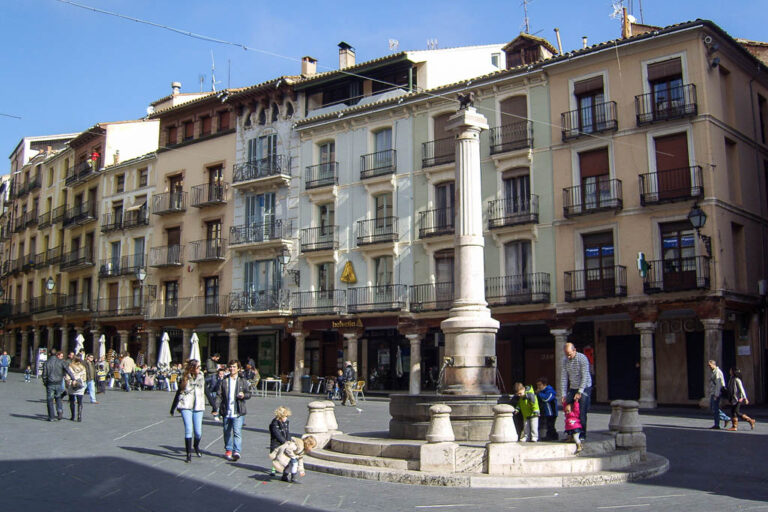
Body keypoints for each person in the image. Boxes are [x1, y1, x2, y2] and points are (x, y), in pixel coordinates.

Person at [170, 360, 206, 463]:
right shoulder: (184, 377)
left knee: (198, 432)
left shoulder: (201, 377)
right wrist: (173, 407)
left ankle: (196, 445)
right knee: (189, 429)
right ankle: (188, 454)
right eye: (198, 367)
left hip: (198, 406)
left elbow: (206, 390)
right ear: (192, 368)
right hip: (186, 405)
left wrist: (214, 406)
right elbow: (179, 392)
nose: (200, 369)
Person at [216, 360, 252, 461]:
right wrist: (216, 407)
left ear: (238, 369)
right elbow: (219, 395)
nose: (232, 369)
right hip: (226, 410)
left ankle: (237, 451)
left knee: (237, 432)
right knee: (227, 431)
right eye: (231, 367)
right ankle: (228, 449)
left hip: (238, 410)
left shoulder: (242, 380)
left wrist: (244, 395)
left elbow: (249, 393)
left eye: (234, 367)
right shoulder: (224, 380)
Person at [561, 342, 592, 438]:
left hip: (585, 387)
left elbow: (585, 376)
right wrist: (563, 394)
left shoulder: (582, 358)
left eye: (569, 354)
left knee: (581, 411)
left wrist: (580, 392)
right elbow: (564, 377)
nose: (568, 357)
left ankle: (582, 433)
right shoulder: (565, 360)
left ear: (574, 350)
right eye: (566, 354)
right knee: (568, 409)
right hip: (573, 386)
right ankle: (571, 431)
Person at [41, 350, 76, 421]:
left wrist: (45, 383)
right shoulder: (61, 361)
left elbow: (44, 375)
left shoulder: (46, 362)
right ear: (56, 354)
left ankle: (51, 417)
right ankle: (60, 411)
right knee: (58, 397)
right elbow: (68, 370)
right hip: (59, 382)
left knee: (50, 400)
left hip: (50, 383)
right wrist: (73, 378)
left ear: (49, 354)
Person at [707, 360, 731, 429]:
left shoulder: (717, 372)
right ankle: (719, 422)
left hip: (716, 393)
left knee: (715, 408)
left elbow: (718, 384)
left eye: (710, 365)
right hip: (713, 392)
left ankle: (723, 420)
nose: (709, 366)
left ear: (713, 364)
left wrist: (716, 394)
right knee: (713, 408)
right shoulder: (713, 372)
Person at [269, 406, 291, 476]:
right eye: (285, 416)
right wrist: (284, 441)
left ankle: (283, 468)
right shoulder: (275, 423)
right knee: (275, 456)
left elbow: (287, 432)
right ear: (281, 416)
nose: (286, 418)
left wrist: (288, 440)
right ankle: (273, 469)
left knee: (283, 455)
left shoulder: (286, 422)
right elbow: (276, 434)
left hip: (284, 442)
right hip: (276, 442)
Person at [65, 356, 87, 422]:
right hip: (80, 385)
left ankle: (73, 416)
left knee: (72, 401)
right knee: (80, 402)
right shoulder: (83, 367)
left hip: (72, 384)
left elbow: (67, 376)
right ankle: (79, 416)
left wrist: (67, 384)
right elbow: (84, 377)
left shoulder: (70, 366)